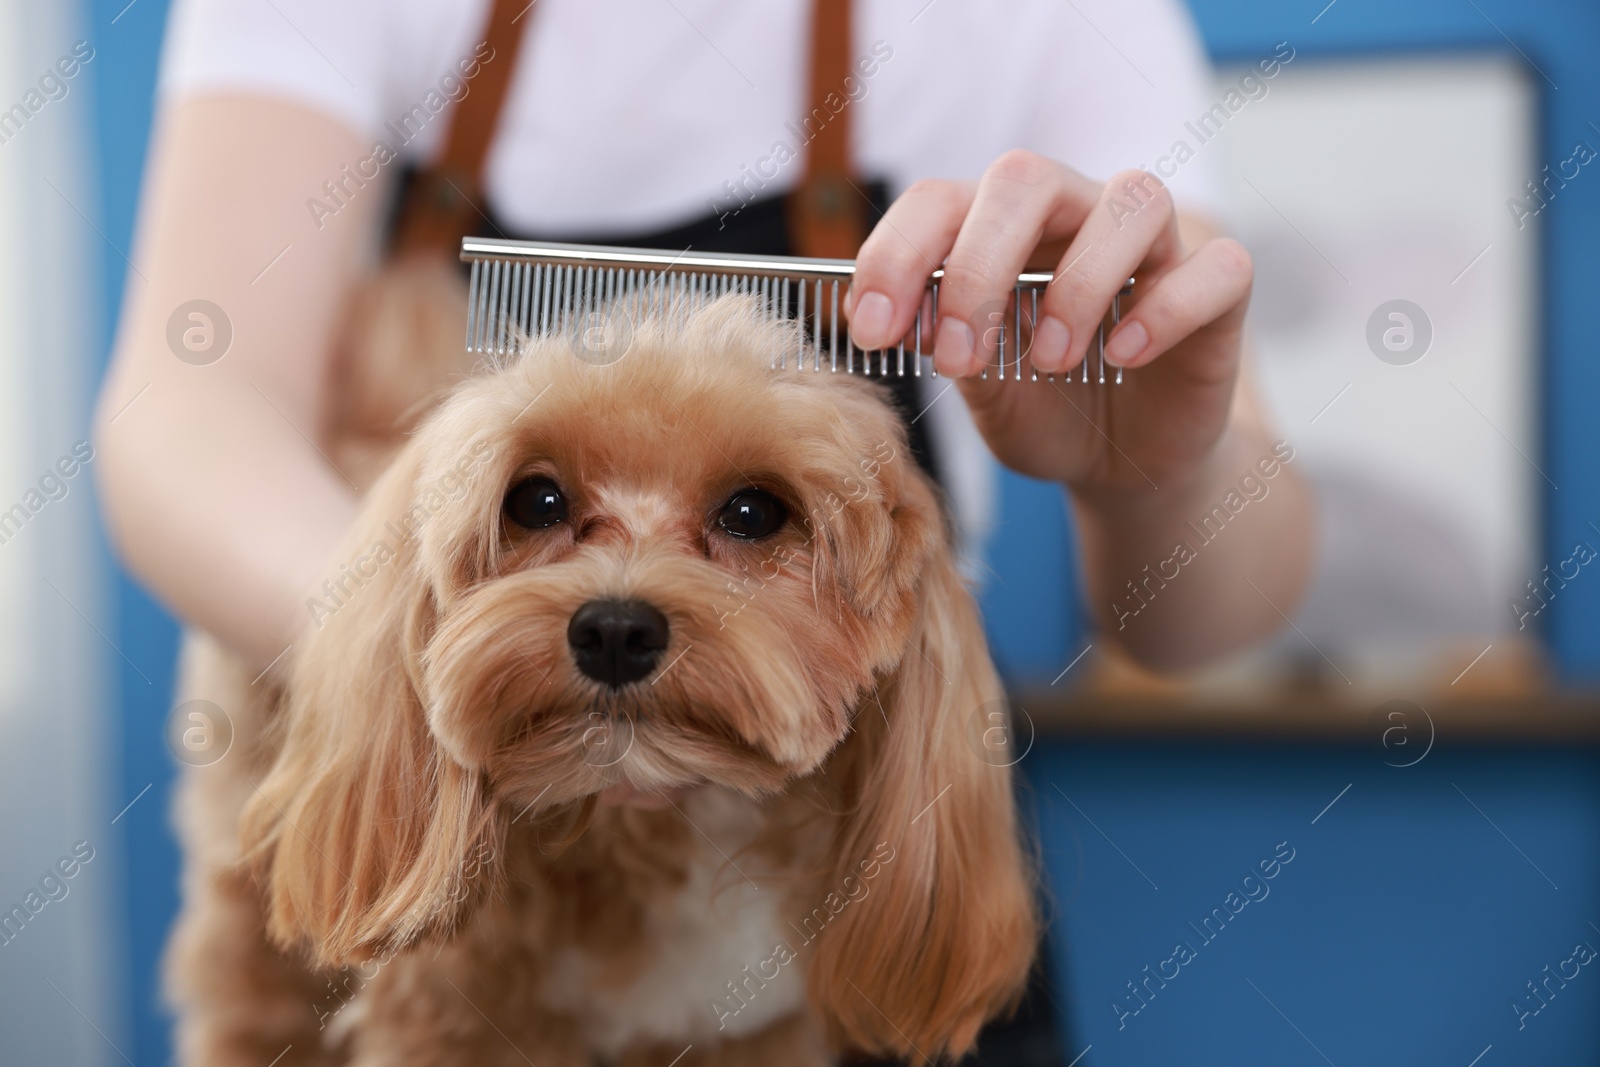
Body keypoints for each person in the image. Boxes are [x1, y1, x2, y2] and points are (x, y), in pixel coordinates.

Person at [94, 0, 1312, 1061]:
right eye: (539, 506)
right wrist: (395, 648)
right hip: (436, 838)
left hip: (839, 858)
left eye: (747, 515)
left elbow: (1204, 622)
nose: (620, 597)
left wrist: (1157, 471)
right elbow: (186, 409)